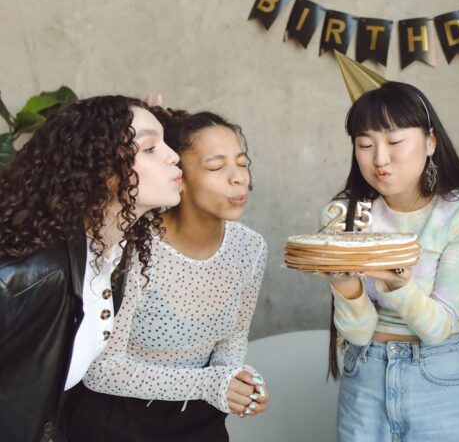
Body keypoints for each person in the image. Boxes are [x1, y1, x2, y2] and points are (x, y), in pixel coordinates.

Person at [318, 52, 459, 442]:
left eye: (395, 141)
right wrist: (344, 284)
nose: (380, 159)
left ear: (430, 141)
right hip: (363, 373)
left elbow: (436, 328)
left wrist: (395, 280)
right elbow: (360, 332)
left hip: (439, 373)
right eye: (365, 145)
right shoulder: (345, 214)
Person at [66, 107, 269, 442]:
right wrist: (211, 383)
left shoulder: (250, 247)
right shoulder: (133, 244)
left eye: (242, 163)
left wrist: (236, 379)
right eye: (217, 166)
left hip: (201, 419)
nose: (239, 177)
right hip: (117, 421)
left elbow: (232, 338)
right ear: (179, 177)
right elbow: (102, 370)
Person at [0, 96, 181, 442]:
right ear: (102, 169)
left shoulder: (110, 257)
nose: (173, 155)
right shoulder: (36, 273)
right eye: (150, 148)